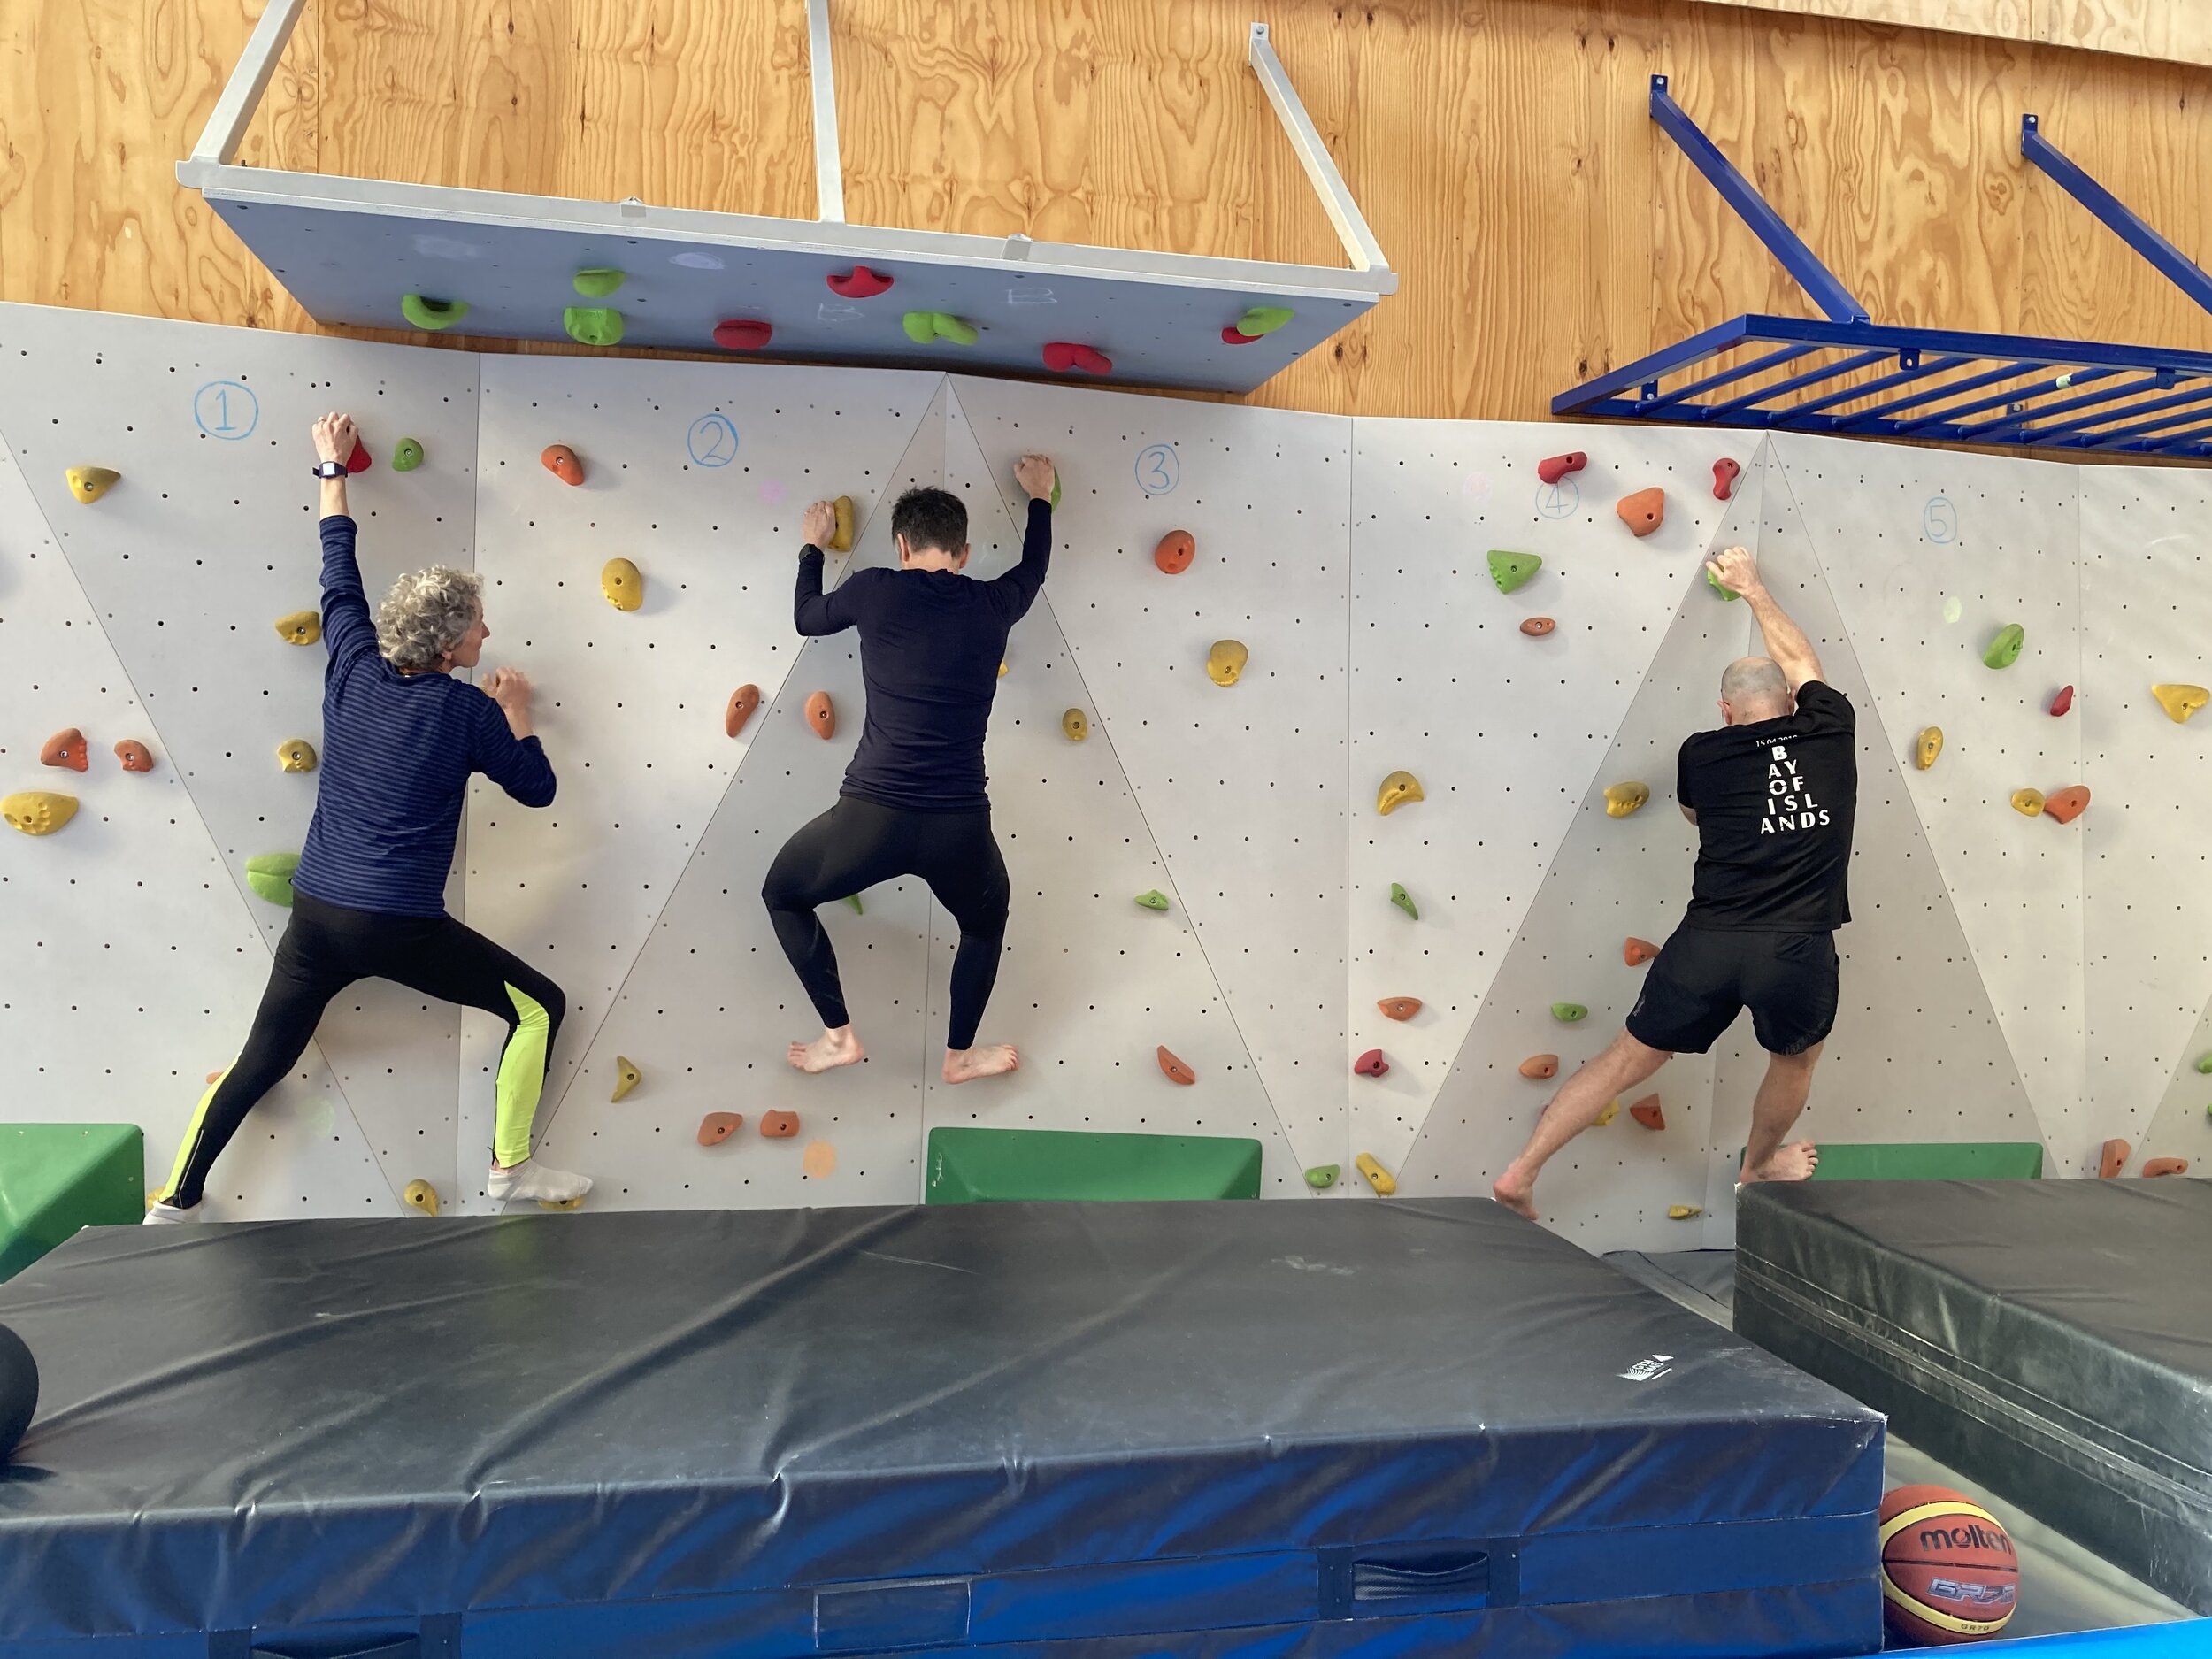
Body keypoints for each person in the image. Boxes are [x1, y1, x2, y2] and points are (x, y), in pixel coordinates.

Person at [145, 413, 589, 1221]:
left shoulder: (350, 659)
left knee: (261, 1057)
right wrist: (518, 711)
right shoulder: (468, 714)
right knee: (541, 1006)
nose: (487, 629)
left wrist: (330, 467)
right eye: (479, 624)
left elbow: (336, 567)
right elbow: (538, 789)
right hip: (397, 925)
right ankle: (510, 1167)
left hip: (317, 915)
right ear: (453, 643)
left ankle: (174, 1201)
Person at [1494, 545, 1855, 1220]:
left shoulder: (1702, 751)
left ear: (1726, 709)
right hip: (1794, 948)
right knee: (1794, 1063)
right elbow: (1804, 659)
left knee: (1625, 1058)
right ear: (1792, 702)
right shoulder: (1829, 731)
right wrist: (1752, 587)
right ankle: (1758, 1164)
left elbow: (1695, 814)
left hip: (1707, 942)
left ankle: (1521, 1171)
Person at [763, 457, 1057, 1084]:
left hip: (873, 815)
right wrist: (1039, 499)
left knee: (783, 894)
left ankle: (838, 1037)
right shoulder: (993, 601)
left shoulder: (875, 589)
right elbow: (1034, 570)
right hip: (959, 826)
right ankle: (959, 1057)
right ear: (965, 550)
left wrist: (811, 546)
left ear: (901, 546)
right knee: (985, 923)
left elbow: (807, 617)